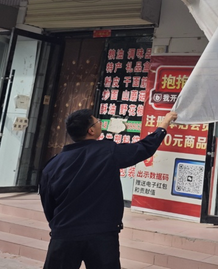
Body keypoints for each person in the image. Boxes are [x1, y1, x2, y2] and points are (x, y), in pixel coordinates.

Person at [40, 109, 178, 269]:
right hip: (101, 235)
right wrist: (164, 124)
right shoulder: (107, 152)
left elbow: (48, 204)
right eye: (97, 121)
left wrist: (59, 225)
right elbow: (144, 148)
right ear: (91, 130)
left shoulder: (53, 165)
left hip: (64, 234)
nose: (100, 123)